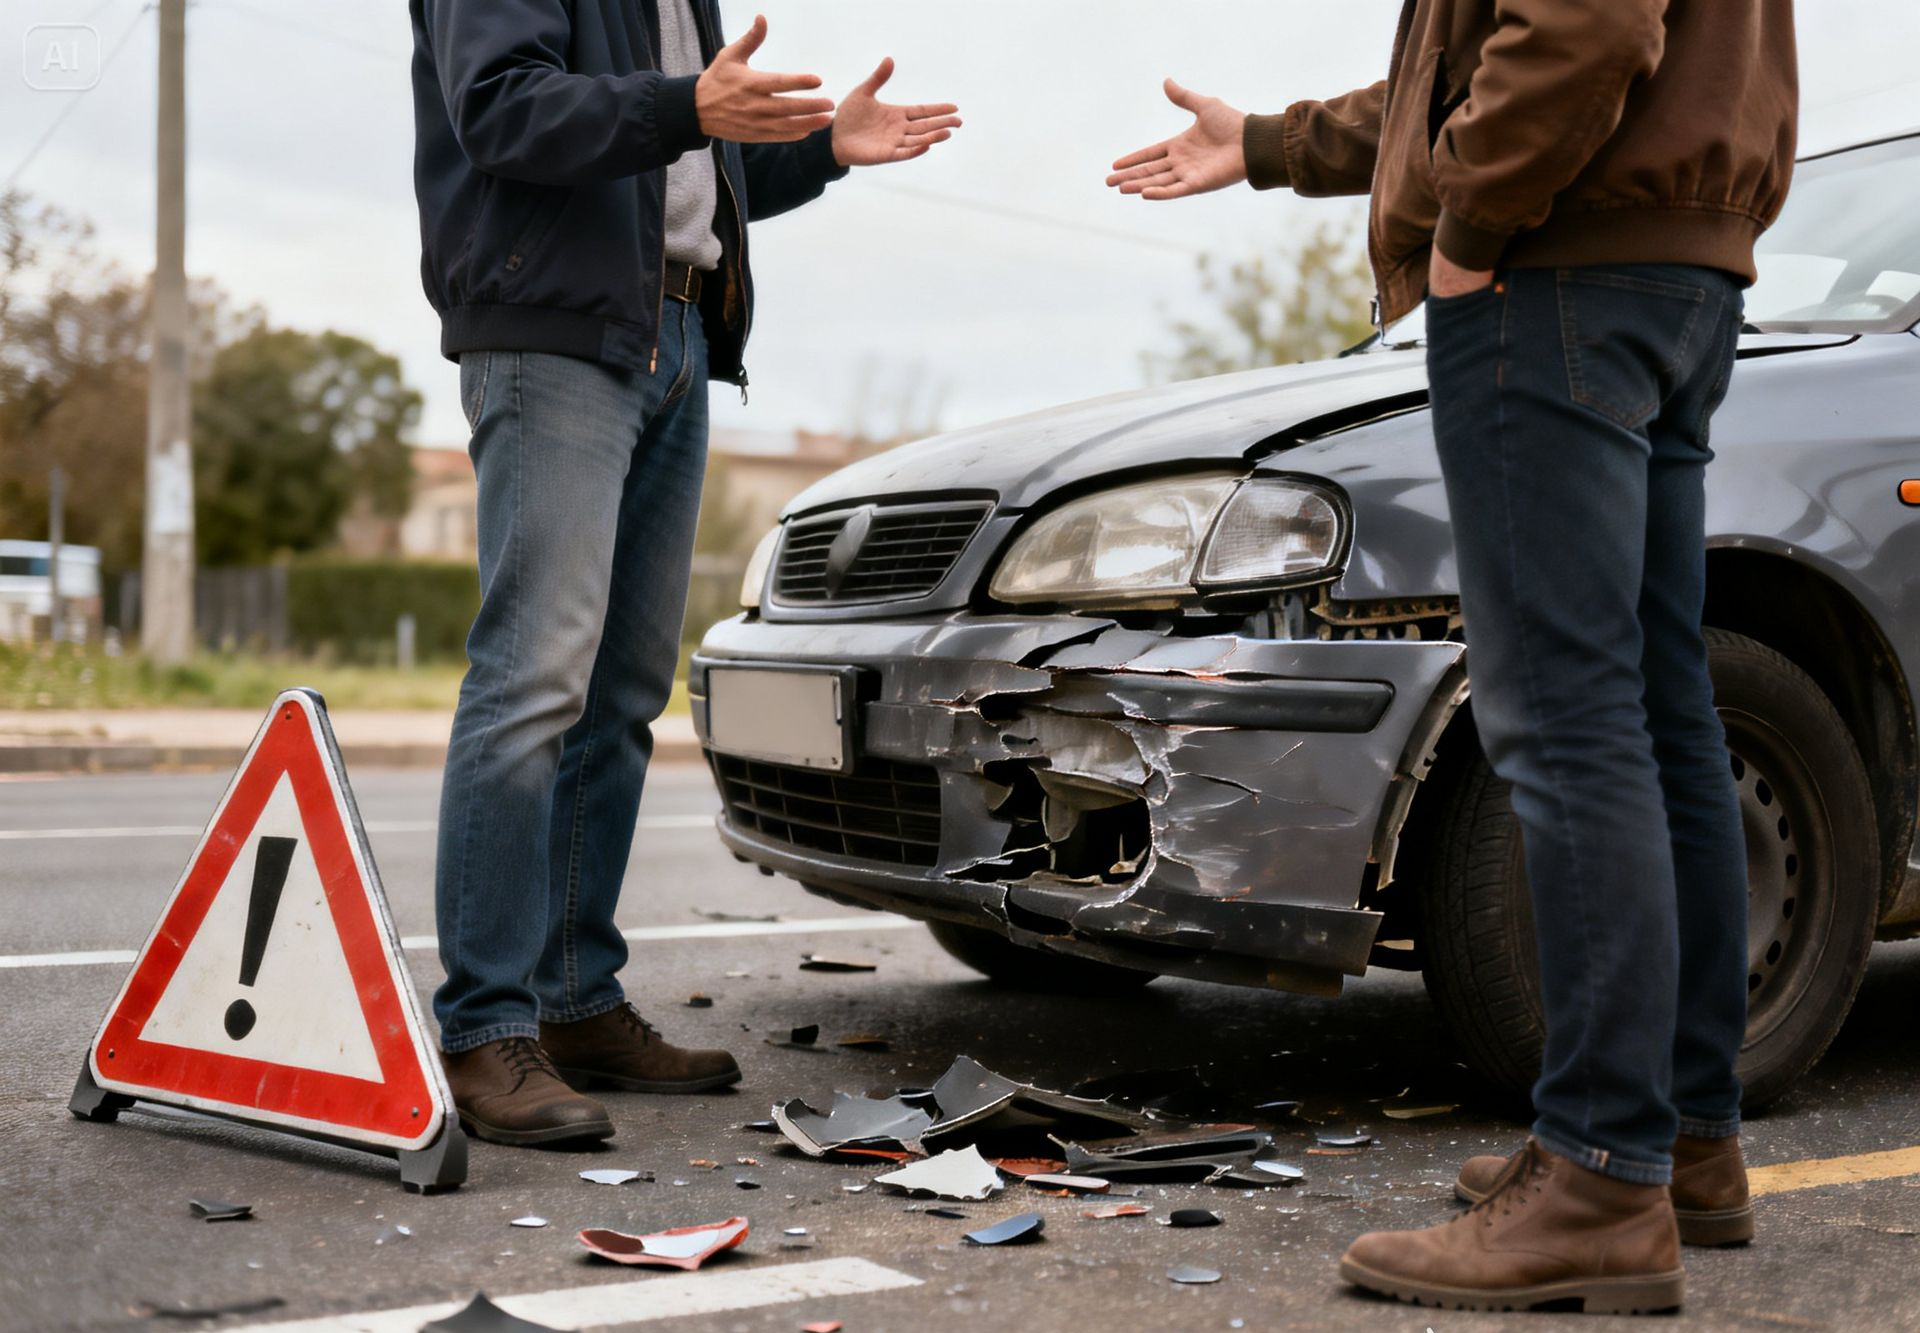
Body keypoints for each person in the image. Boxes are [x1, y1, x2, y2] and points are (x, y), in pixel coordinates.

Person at [1107, 0, 1796, 1313]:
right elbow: (1463, 73)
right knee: (1661, 710)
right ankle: (1679, 1140)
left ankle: (1602, 1177)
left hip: (1557, 262)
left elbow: (1580, 28)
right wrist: (1268, 142)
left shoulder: (1529, 215)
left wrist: (1473, 230)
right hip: (1677, 267)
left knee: (1567, 715)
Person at [409, 0, 958, 1147]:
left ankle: (573, 1001)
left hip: (677, 332)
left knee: (619, 697)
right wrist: (686, 103)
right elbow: (501, 111)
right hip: (556, 328)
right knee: (533, 680)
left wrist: (823, 149)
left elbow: (692, 166)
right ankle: (484, 1027)